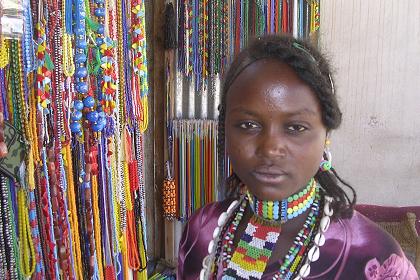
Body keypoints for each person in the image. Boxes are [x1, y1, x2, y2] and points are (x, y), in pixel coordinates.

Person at [177, 34, 419, 280]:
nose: (270, 148)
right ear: (224, 128)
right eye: (248, 124)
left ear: (326, 133)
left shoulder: (375, 257)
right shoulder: (202, 231)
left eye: (295, 127)